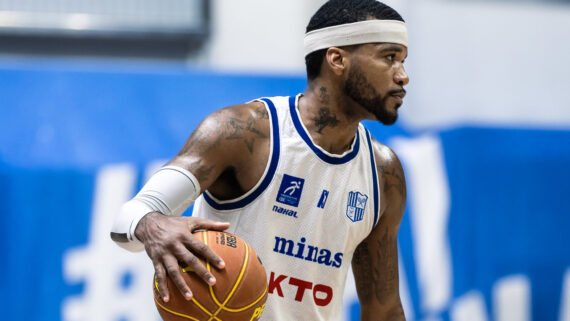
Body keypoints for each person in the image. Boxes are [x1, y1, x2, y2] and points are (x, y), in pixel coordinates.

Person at [111, 0, 409, 320]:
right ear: (337, 59)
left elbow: (384, 310)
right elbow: (129, 217)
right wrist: (154, 225)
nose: (403, 76)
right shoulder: (241, 133)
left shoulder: (383, 171)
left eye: (403, 61)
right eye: (389, 57)